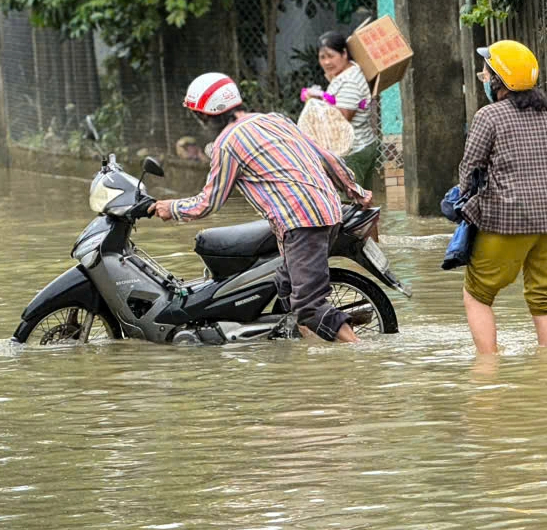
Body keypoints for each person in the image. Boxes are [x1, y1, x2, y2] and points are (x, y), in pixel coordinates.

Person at [150, 73, 373, 343]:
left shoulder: (227, 144)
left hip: (301, 221)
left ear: (206, 116)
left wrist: (171, 208)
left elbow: (208, 202)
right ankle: (311, 346)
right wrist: (357, 191)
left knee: (308, 305)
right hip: (330, 209)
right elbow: (326, 157)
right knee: (285, 285)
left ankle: (360, 352)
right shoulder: (275, 119)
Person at [459, 40, 547, 353]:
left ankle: (487, 368)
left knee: (477, 294)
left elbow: (470, 170)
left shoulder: (489, 116)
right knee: (546, 302)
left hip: (507, 221)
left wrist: (462, 204)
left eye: (486, 75)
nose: (485, 80)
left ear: (499, 81)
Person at [317, 31, 380, 189]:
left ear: (344, 53)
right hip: (361, 146)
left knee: (349, 200)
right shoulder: (349, 72)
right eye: (322, 57)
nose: (326, 62)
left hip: (352, 151)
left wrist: (316, 107)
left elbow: (343, 118)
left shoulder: (349, 82)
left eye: (331, 56)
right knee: (362, 199)